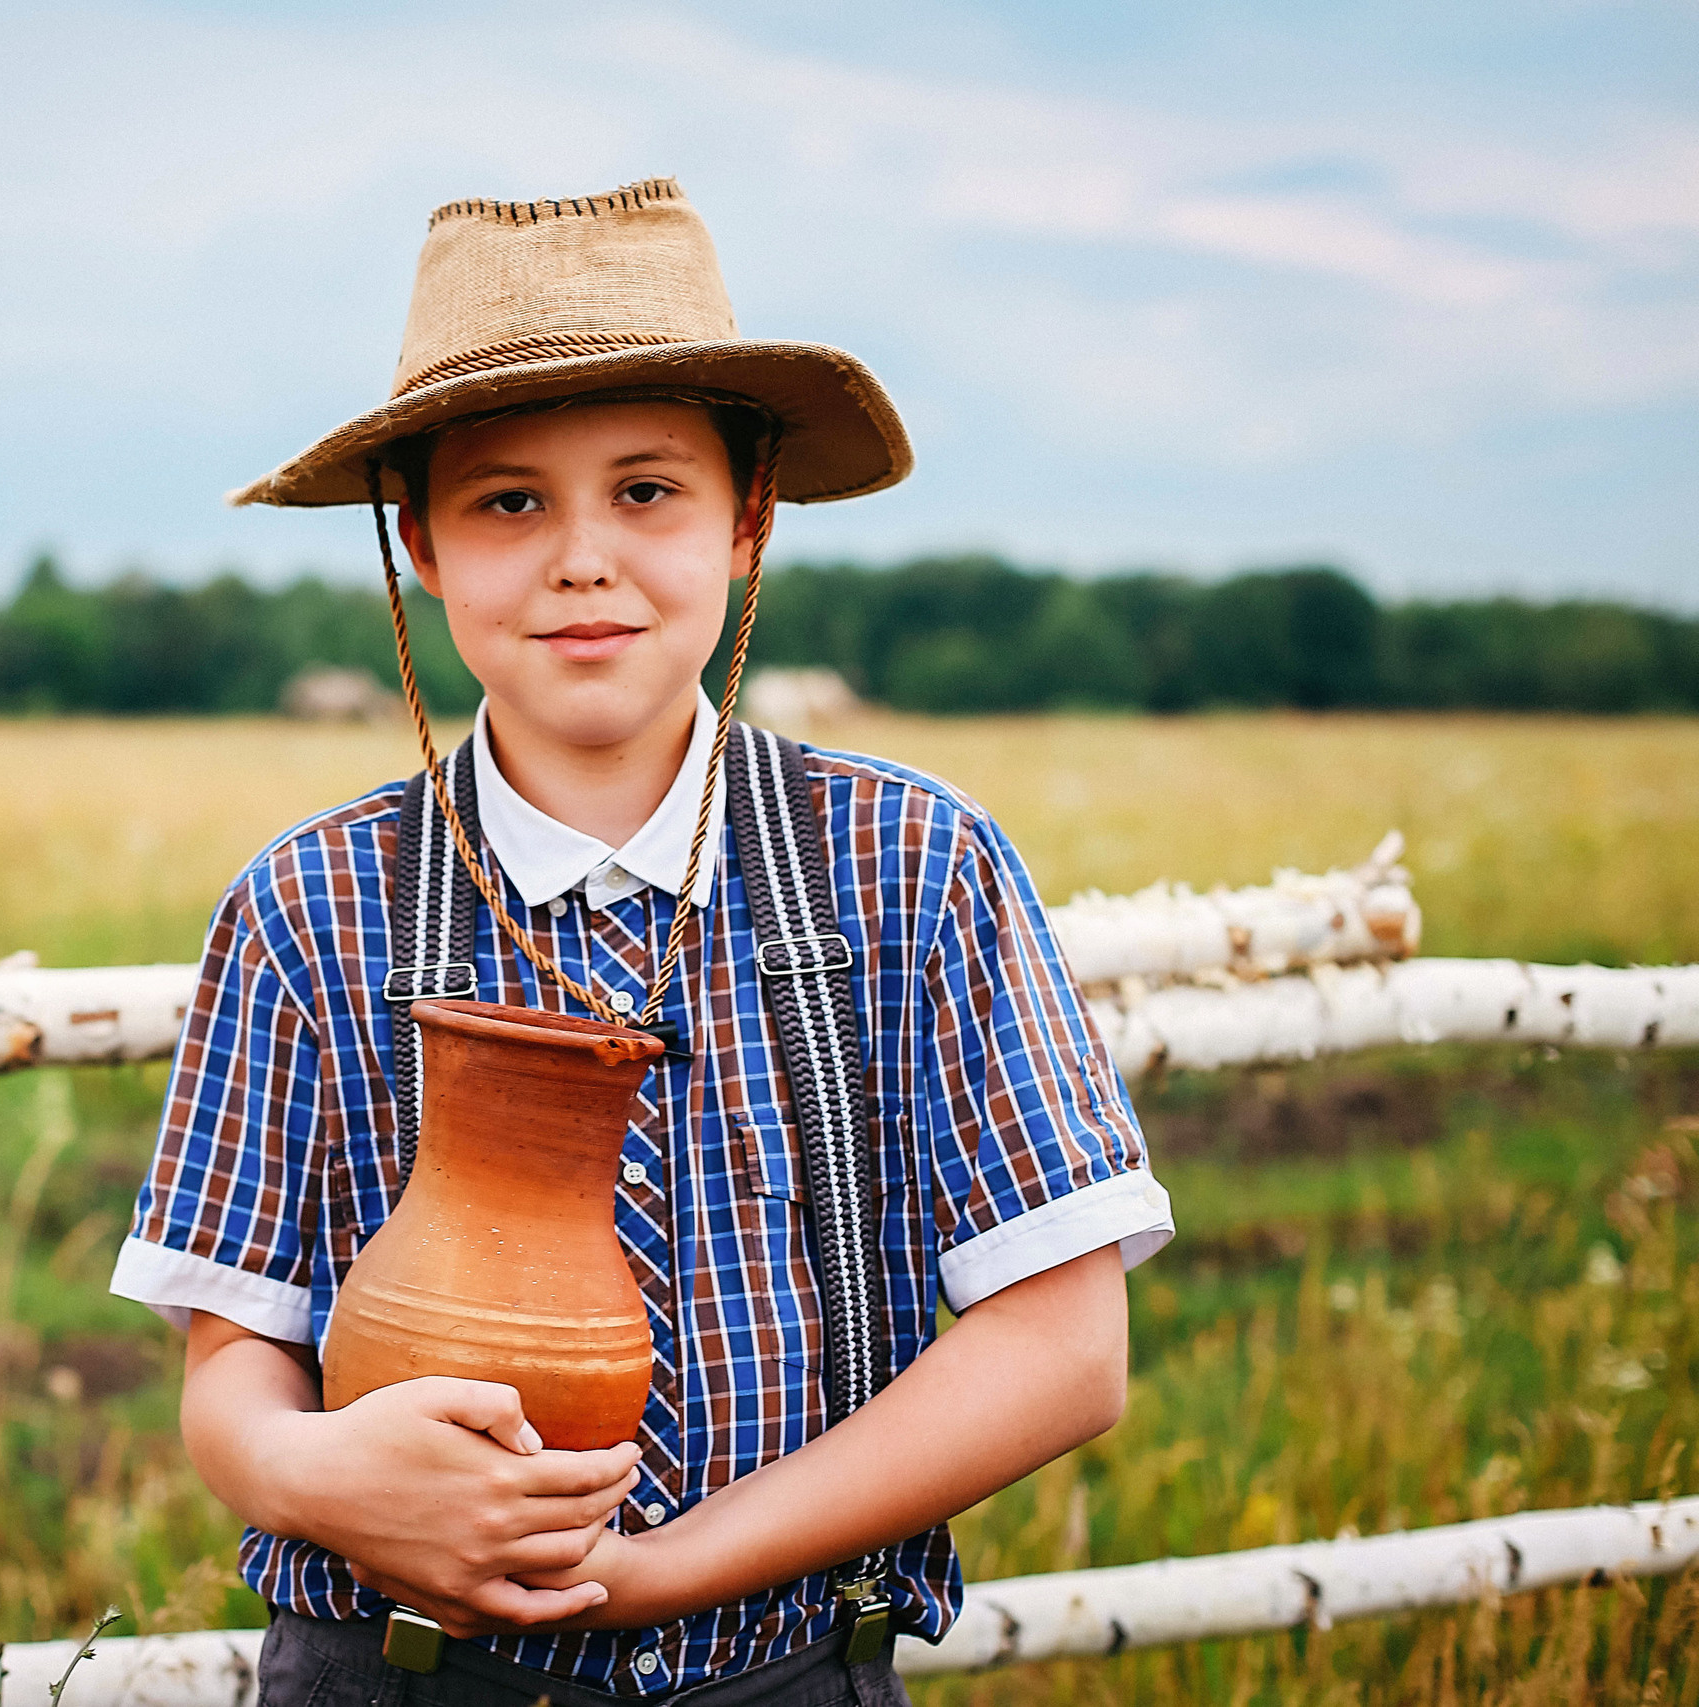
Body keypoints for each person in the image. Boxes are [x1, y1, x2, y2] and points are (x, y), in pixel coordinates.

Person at [111, 179, 1175, 1706]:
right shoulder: (310, 907)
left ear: (750, 518)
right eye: (509, 500)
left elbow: (1066, 1350)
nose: (583, 557)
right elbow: (232, 1379)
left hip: (792, 1671)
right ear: (418, 540)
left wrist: (670, 1569)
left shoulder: (910, 867)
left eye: (648, 491)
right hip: (397, 1673)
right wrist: (320, 1474)